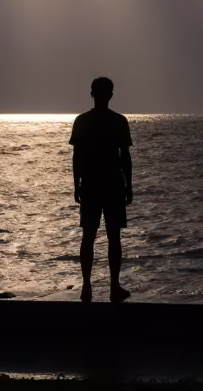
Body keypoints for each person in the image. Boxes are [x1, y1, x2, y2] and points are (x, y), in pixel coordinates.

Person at [69, 76, 133, 303]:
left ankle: (87, 287)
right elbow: (125, 157)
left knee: (89, 235)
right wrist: (129, 186)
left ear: (92, 94)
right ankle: (113, 287)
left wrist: (76, 184)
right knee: (113, 237)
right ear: (110, 95)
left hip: (91, 184)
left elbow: (77, 157)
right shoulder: (119, 121)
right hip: (113, 184)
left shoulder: (82, 121)